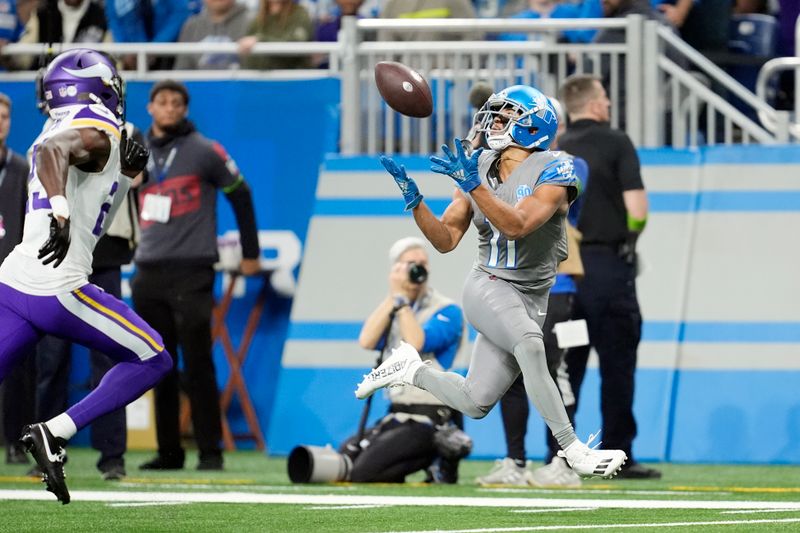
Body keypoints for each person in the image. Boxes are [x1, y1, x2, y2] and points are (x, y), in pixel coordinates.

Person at [356, 84, 628, 480]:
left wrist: (473, 185)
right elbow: (447, 239)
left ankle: (410, 369)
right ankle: (573, 451)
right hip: (487, 283)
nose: (493, 122)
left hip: (532, 295)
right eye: (494, 114)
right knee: (531, 346)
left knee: (475, 401)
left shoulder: (556, 168)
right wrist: (415, 203)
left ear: (533, 126)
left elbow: (517, 225)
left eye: (505, 116)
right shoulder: (478, 165)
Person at [0, 48, 171, 505]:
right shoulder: (95, 128)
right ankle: (54, 432)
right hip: (59, 288)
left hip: (14, 282)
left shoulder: (54, 124)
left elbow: (91, 201)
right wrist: (59, 211)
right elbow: (61, 156)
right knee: (153, 358)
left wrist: (126, 175)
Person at [133, 79, 260, 471]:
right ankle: (169, 452)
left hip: (193, 269)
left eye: (176, 103)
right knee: (157, 362)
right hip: (148, 269)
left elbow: (241, 193)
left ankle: (210, 451)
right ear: (150, 108)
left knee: (199, 361)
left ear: (184, 109)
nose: (169, 108)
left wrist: (250, 253)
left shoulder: (205, 150)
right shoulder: (135, 153)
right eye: (162, 102)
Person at [476, 97, 586, 488]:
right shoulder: (501, 166)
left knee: (553, 371)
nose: (502, 124)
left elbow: (521, 215)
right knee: (513, 373)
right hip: (513, 283)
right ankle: (515, 460)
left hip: (558, 288)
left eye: (511, 118)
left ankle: (562, 460)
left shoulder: (563, 166)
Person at [556, 74, 660, 479]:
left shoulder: (557, 148)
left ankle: (563, 456)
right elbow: (638, 208)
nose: (610, 105)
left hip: (568, 279)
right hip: (609, 274)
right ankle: (619, 456)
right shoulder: (617, 142)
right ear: (596, 104)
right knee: (617, 365)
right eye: (606, 98)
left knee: (569, 365)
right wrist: (630, 239)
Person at [342, 237, 468, 483]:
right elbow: (367, 341)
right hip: (395, 416)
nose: (418, 268)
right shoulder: (396, 306)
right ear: (396, 269)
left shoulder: (447, 310)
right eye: (410, 263)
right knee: (346, 458)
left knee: (363, 473)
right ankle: (424, 465)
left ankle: (438, 459)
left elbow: (415, 343)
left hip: (431, 420)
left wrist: (401, 303)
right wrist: (394, 296)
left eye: (423, 263)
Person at [0, 92, 34, 466]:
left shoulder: (23, 169)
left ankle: (15, 440)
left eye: (4, 116)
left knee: (18, 364)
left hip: (11, 281)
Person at [174, 0, 253, 70]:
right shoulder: (191, 25)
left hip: (243, 85)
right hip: (199, 86)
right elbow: (182, 68)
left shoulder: (253, 22)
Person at [237, 0, 312, 70]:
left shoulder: (299, 14)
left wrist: (261, 40)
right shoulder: (258, 19)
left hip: (293, 79)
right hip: (259, 80)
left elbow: (296, 44)